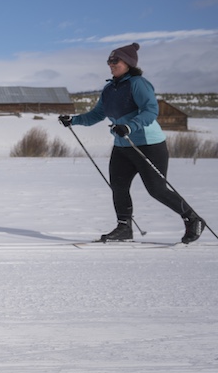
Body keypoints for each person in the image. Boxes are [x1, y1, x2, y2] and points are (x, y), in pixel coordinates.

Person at [59, 42, 205, 243]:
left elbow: (151, 110)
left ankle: (193, 218)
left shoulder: (138, 84)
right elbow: (97, 115)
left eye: (115, 60)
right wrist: (73, 120)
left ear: (128, 63)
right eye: (109, 61)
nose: (111, 64)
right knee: (118, 186)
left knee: (157, 190)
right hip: (122, 146)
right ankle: (124, 228)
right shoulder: (109, 89)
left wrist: (129, 126)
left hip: (148, 145)